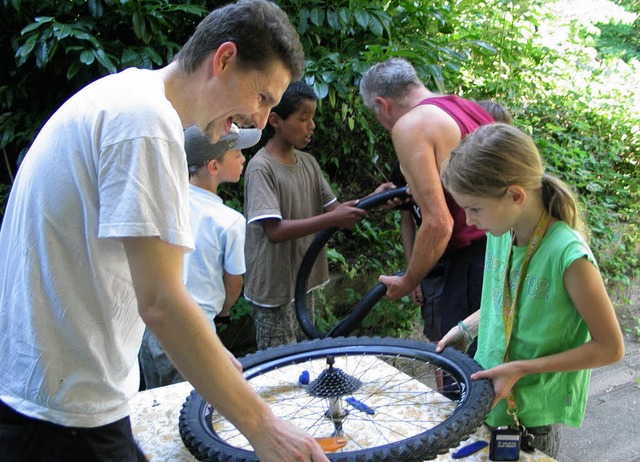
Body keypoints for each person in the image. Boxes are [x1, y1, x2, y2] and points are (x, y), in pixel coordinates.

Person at [0, 1, 330, 461]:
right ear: (224, 59)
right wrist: (264, 428)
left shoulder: (124, 98)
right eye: (262, 97)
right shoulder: (146, 124)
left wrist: (208, 356)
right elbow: (162, 302)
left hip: (48, 403)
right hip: (65, 421)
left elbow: (147, 288)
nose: (259, 120)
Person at [436, 123, 624, 457]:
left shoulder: (568, 256)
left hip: (532, 416)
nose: (469, 220)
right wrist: (466, 327)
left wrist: (522, 368)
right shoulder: (500, 232)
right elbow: (510, 302)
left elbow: (611, 348)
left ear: (516, 195)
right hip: (490, 395)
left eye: (475, 208)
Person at [244, 80, 392, 350]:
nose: (311, 126)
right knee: (279, 365)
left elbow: (334, 211)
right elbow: (274, 231)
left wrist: (374, 199)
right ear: (275, 120)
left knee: (305, 355)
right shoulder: (261, 168)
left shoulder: (309, 163)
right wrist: (333, 220)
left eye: (312, 118)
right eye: (303, 119)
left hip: (304, 280)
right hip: (275, 289)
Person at [359, 57, 495, 348]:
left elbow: (439, 222)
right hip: (504, 248)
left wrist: (409, 279)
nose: (383, 126)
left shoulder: (411, 125)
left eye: (376, 116)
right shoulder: (464, 106)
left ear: (382, 104)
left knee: (461, 371)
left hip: (473, 262)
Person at [139, 124, 260, 389]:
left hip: (150, 329)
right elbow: (234, 282)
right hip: (193, 332)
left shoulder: (163, 203)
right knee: (191, 409)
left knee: (156, 401)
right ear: (213, 166)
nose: (243, 158)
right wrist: (224, 312)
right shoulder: (229, 221)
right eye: (237, 153)